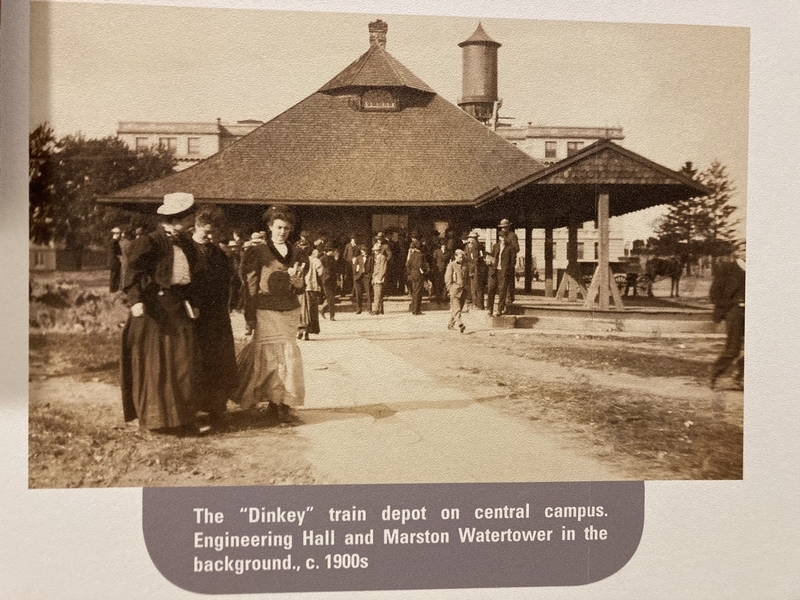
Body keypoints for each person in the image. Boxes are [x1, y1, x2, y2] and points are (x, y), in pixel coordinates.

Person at [120, 192, 204, 435]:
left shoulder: (187, 243)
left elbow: (194, 277)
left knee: (184, 363)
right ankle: (158, 421)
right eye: (189, 217)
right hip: (153, 311)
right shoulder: (151, 241)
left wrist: (194, 301)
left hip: (178, 307)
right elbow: (131, 272)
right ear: (177, 218)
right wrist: (135, 300)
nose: (191, 222)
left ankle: (184, 419)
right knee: (157, 365)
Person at [235, 205, 305, 421]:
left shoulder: (298, 252)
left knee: (288, 356)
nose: (282, 232)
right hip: (266, 310)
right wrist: (250, 315)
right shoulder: (257, 252)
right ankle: (273, 402)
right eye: (278, 227)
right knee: (271, 359)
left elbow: (301, 286)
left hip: (289, 311)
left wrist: (299, 284)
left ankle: (283, 402)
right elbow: (250, 284)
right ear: (269, 227)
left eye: (286, 228)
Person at [190, 206, 238, 429]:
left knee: (220, 364)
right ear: (196, 226)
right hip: (193, 317)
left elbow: (228, 283)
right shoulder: (186, 250)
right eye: (206, 232)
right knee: (195, 363)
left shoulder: (220, 255)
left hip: (217, 317)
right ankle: (191, 412)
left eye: (213, 233)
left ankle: (217, 412)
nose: (210, 237)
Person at [709, 248, 746, 390]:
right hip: (734, 311)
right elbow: (714, 294)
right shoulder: (728, 268)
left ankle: (739, 375)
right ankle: (716, 372)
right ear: (738, 252)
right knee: (733, 348)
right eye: (745, 249)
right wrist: (732, 304)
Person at [491, 227, 518, 316]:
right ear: (499, 237)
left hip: (504, 272)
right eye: (501, 237)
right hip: (495, 271)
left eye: (504, 237)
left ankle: (499, 309)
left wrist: (508, 270)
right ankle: (490, 309)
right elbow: (492, 257)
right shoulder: (495, 246)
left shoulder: (510, 248)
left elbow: (513, 261)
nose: (503, 239)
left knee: (502, 291)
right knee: (492, 289)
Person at [299, 245, 323, 340]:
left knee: (301, 309)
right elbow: (321, 272)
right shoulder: (316, 261)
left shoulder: (300, 261)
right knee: (311, 310)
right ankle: (307, 332)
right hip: (312, 288)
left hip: (300, 288)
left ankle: (301, 330)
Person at [445, 249, 467, 332]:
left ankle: (451, 324)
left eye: (462, 258)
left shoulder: (465, 265)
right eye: (460, 257)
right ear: (455, 256)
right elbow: (447, 278)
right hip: (454, 289)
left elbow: (466, 277)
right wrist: (450, 288)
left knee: (458, 308)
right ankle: (460, 324)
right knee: (457, 308)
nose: (461, 259)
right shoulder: (451, 265)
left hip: (463, 290)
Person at [498, 218, 520, 304]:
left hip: (510, 261)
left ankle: (509, 297)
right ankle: (505, 297)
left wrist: (508, 249)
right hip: (502, 262)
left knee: (509, 280)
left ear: (508, 227)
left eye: (505, 227)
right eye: (502, 227)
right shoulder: (501, 236)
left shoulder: (512, 236)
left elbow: (517, 248)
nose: (503, 229)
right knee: (503, 280)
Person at [406, 240, 428, 315]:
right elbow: (421, 265)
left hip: (413, 274)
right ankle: (416, 309)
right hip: (418, 274)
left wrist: (410, 272)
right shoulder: (421, 255)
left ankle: (413, 309)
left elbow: (408, 265)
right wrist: (424, 272)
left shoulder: (412, 255)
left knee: (414, 291)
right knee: (418, 292)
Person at [464, 231, 486, 310]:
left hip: (477, 269)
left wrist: (473, 270)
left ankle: (479, 304)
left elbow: (476, 259)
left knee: (477, 287)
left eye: (472, 238)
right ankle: (474, 303)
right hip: (469, 268)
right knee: (471, 287)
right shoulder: (467, 246)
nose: (471, 240)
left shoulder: (478, 246)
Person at [351, 244, 372, 314]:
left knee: (368, 293)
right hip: (358, 277)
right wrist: (355, 276)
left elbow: (372, 268)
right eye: (363, 250)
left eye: (365, 250)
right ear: (361, 251)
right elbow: (354, 268)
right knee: (358, 293)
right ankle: (359, 308)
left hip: (366, 276)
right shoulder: (358, 258)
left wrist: (369, 276)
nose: (364, 252)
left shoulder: (370, 258)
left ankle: (369, 309)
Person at [319, 243, 338, 321]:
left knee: (331, 298)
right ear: (328, 251)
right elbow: (320, 270)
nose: (334, 252)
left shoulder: (332, 258)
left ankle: (322, 308)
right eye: (332, 251)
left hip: (333, 280)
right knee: (331, 298)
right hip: (326, 281)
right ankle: (332, 316)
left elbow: (335, 269)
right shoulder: (322, 259)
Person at [432, 238, 452, 303]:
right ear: (440, 245)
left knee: (445, 283)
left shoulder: (448, 252)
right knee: (438, 284)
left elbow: (450, 260)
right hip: (438, 270)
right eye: (442, 245)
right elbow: (434, 261)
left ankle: (444, 298)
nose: (444, 246)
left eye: (445, 245)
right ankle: (438, 298)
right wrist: (434, 269)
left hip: (445, 270)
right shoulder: (436, 252)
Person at [370, 241, 387, 315]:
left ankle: (376, 309)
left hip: (379, 278)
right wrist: (373, 278)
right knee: (377, 294)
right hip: (375, 277)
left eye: (377, 250)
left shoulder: (382, 257)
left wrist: (379, 278)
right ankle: (380, 309)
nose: (375, 252)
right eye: (374, 250)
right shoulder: (376, 257)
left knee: (377, 294)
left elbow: (383, 268)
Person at [108, 227, 123, 292]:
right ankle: (113, 290)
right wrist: (120, 258)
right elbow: (115, 253)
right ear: (115, 234)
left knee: (114, 276)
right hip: (114, 262)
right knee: (114, 276)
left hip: (113, 261)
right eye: (119, 234)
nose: (120, 235)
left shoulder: (113, 241)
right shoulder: (114, 242)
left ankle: (113, 289)